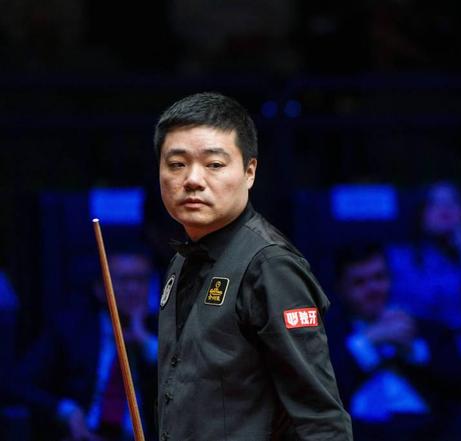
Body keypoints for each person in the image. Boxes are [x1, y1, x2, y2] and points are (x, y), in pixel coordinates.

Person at [153, 92, 352, 440]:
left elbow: (320, 419)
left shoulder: (270, 266)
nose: (193, 179)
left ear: (249, 172)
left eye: (214, 164)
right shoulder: (182, 259)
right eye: (177, 164)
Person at [326, 244, 461, 441]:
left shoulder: (425, 329)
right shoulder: (327, 337)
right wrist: (367, 342)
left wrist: (414, 350)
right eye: (360, 282)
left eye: (379, 277)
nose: (373, 289)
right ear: (341, 289)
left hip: (425, 430)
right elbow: (318, 391)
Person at [6, 249, 158, 441]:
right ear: (100, 288)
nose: (133, 289)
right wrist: (66, 410)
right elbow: (17, 383)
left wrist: (145, 342)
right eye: (123, 280)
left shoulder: (164, 330)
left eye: (141, 280)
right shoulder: (71, 329)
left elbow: (187, 385)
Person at [386, 182, 461, 399]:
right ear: (421, 212)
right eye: (435, 203)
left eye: (453, 202)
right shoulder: (398, 257)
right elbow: (417, 300)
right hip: (412, 353)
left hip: (459, 356)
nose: (445, 209)